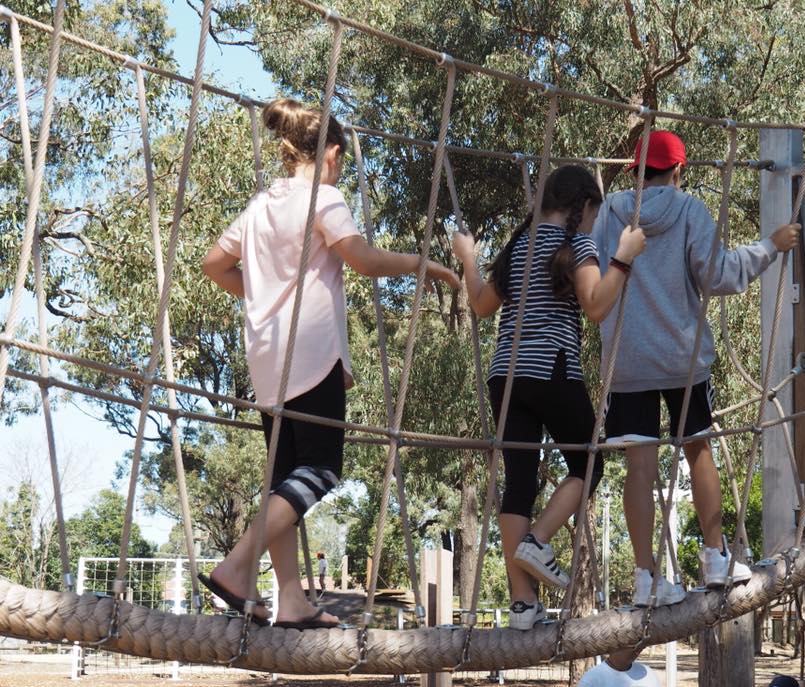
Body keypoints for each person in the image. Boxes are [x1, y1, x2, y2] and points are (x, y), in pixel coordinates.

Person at [201, 98, 459, 630]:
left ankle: (290, 599)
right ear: (333, 152)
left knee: (283, 484)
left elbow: (213, 264)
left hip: (266, 360)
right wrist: (425, 265)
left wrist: (263, 299)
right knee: (319, 472)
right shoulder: (325, 197)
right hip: (312, 355)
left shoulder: (259, 207)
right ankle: (235, 567)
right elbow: (362, 260)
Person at [591, 130, 801, 606]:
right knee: (698, 449)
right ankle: (714, 556)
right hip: (682, 359)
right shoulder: (690, 211)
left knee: (638, 467)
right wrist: (770, 246)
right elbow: (719, 275)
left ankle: (645, 578)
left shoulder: (610, 212)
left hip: (627, 359)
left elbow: (592, 265)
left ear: (635, 171)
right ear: (679, 170)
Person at [452, 165, 646, 629]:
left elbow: (480, 304)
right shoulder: (576, 245)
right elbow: (597, 307)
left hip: (506, 378)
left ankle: (522, 603)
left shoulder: (518, 245)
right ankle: (538, 540)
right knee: (590, 462)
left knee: (520, 481)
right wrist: (622, 258)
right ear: (585, 206)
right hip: (552, 370)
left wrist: (468, 259)